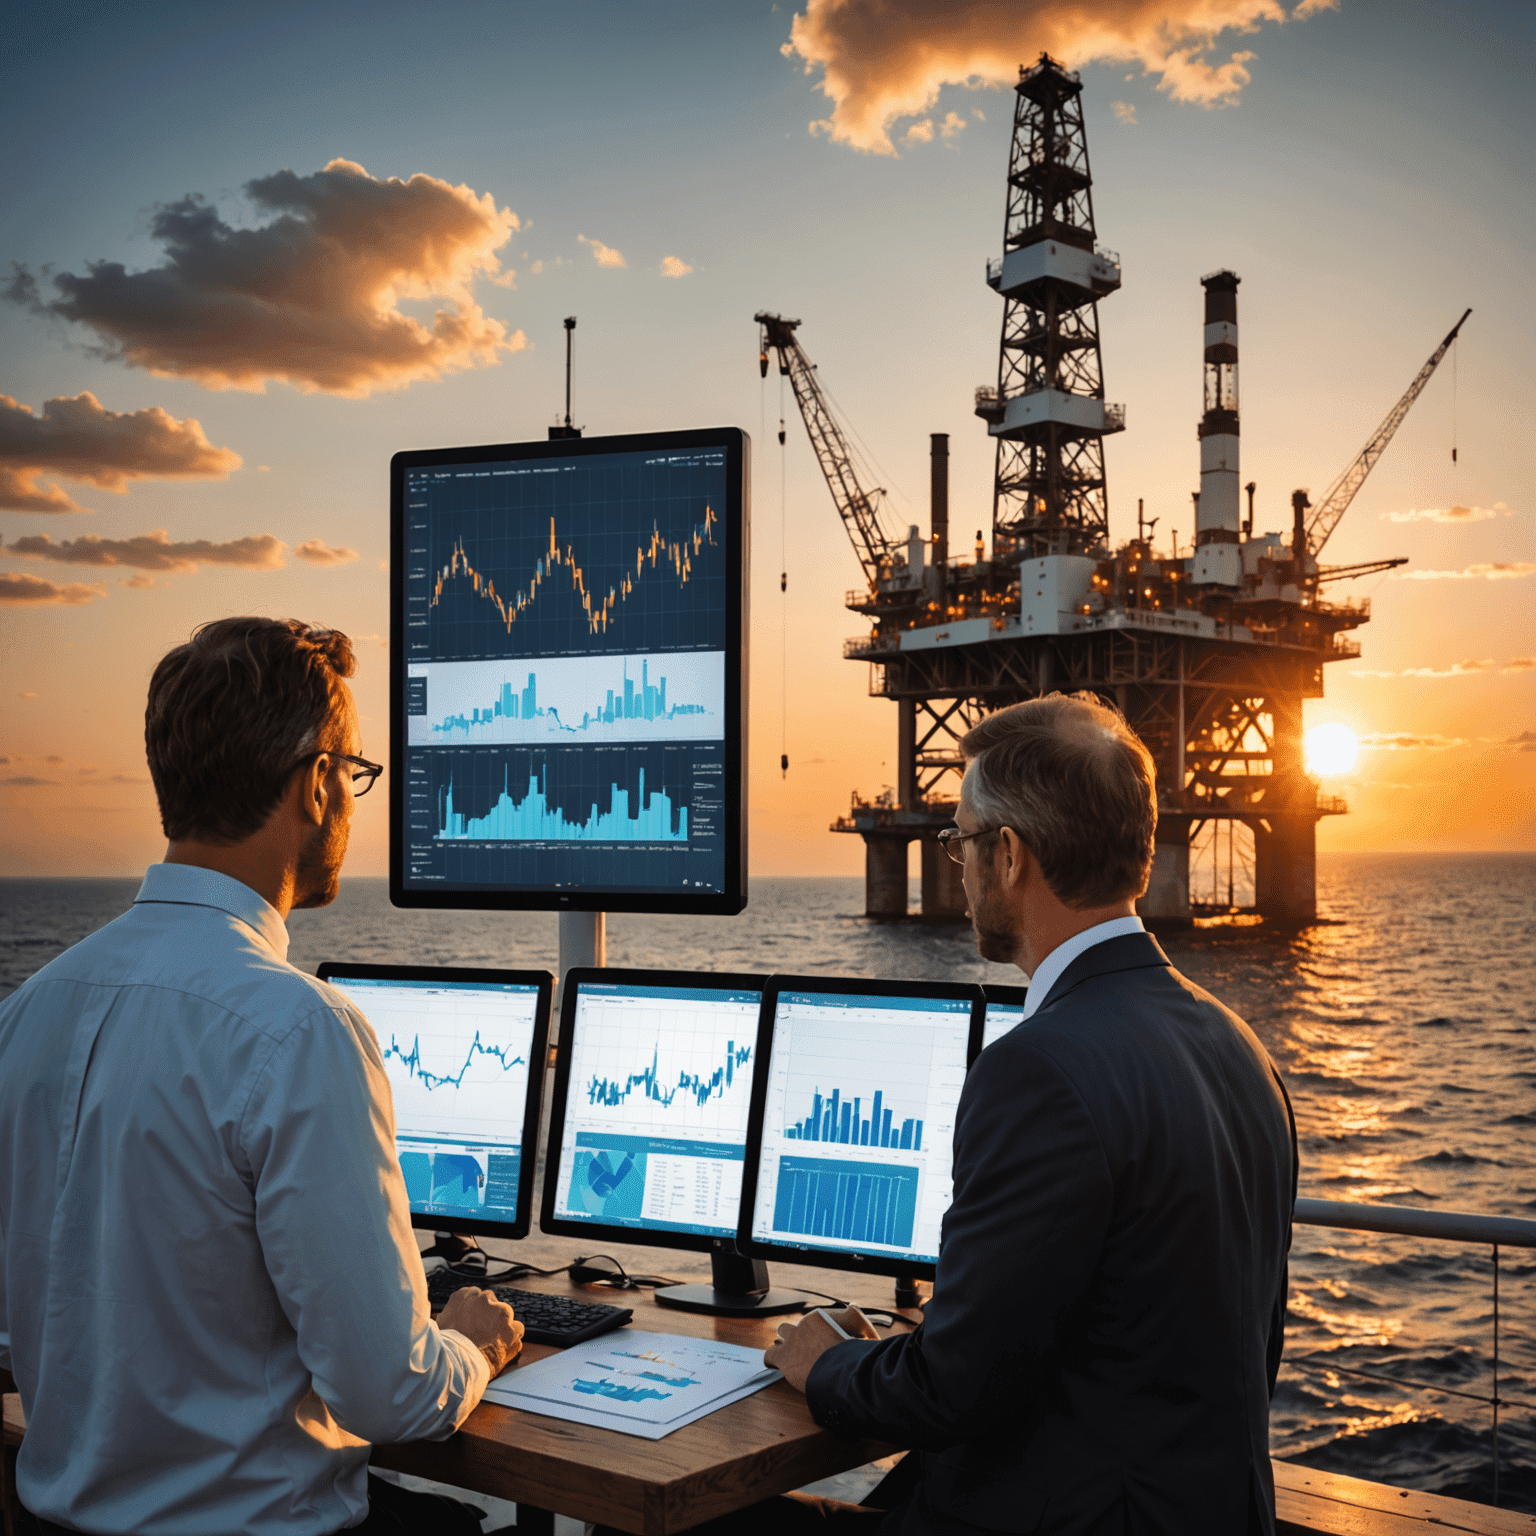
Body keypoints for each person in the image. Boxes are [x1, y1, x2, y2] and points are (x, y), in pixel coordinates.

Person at [0, 617, 524, 1536]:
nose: (354, 799)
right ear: (318, 784)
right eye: (356, 774)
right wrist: (473, 1345)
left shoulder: (29, 1009)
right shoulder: (299, 1031)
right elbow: (391, 1397)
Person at [762, 693, 1298, 1536]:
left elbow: (952, 1389)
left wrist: (829, 1364)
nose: (954, 864)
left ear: (1007, 855)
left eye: (961, 840)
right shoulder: (1239, 1045)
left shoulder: (1037, 1067)